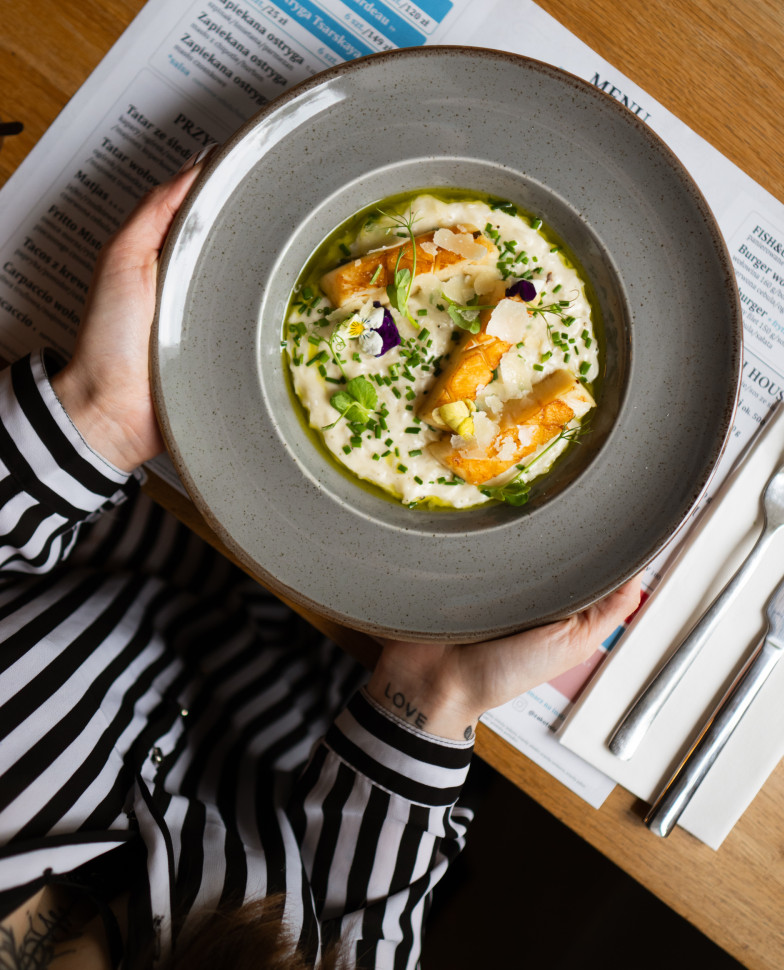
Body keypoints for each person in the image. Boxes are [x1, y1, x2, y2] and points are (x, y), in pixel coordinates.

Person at [0, 155, 642, 970]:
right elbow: (358, 925)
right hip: (365, 663)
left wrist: (99, 419)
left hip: (146, 505)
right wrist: (429, 696)